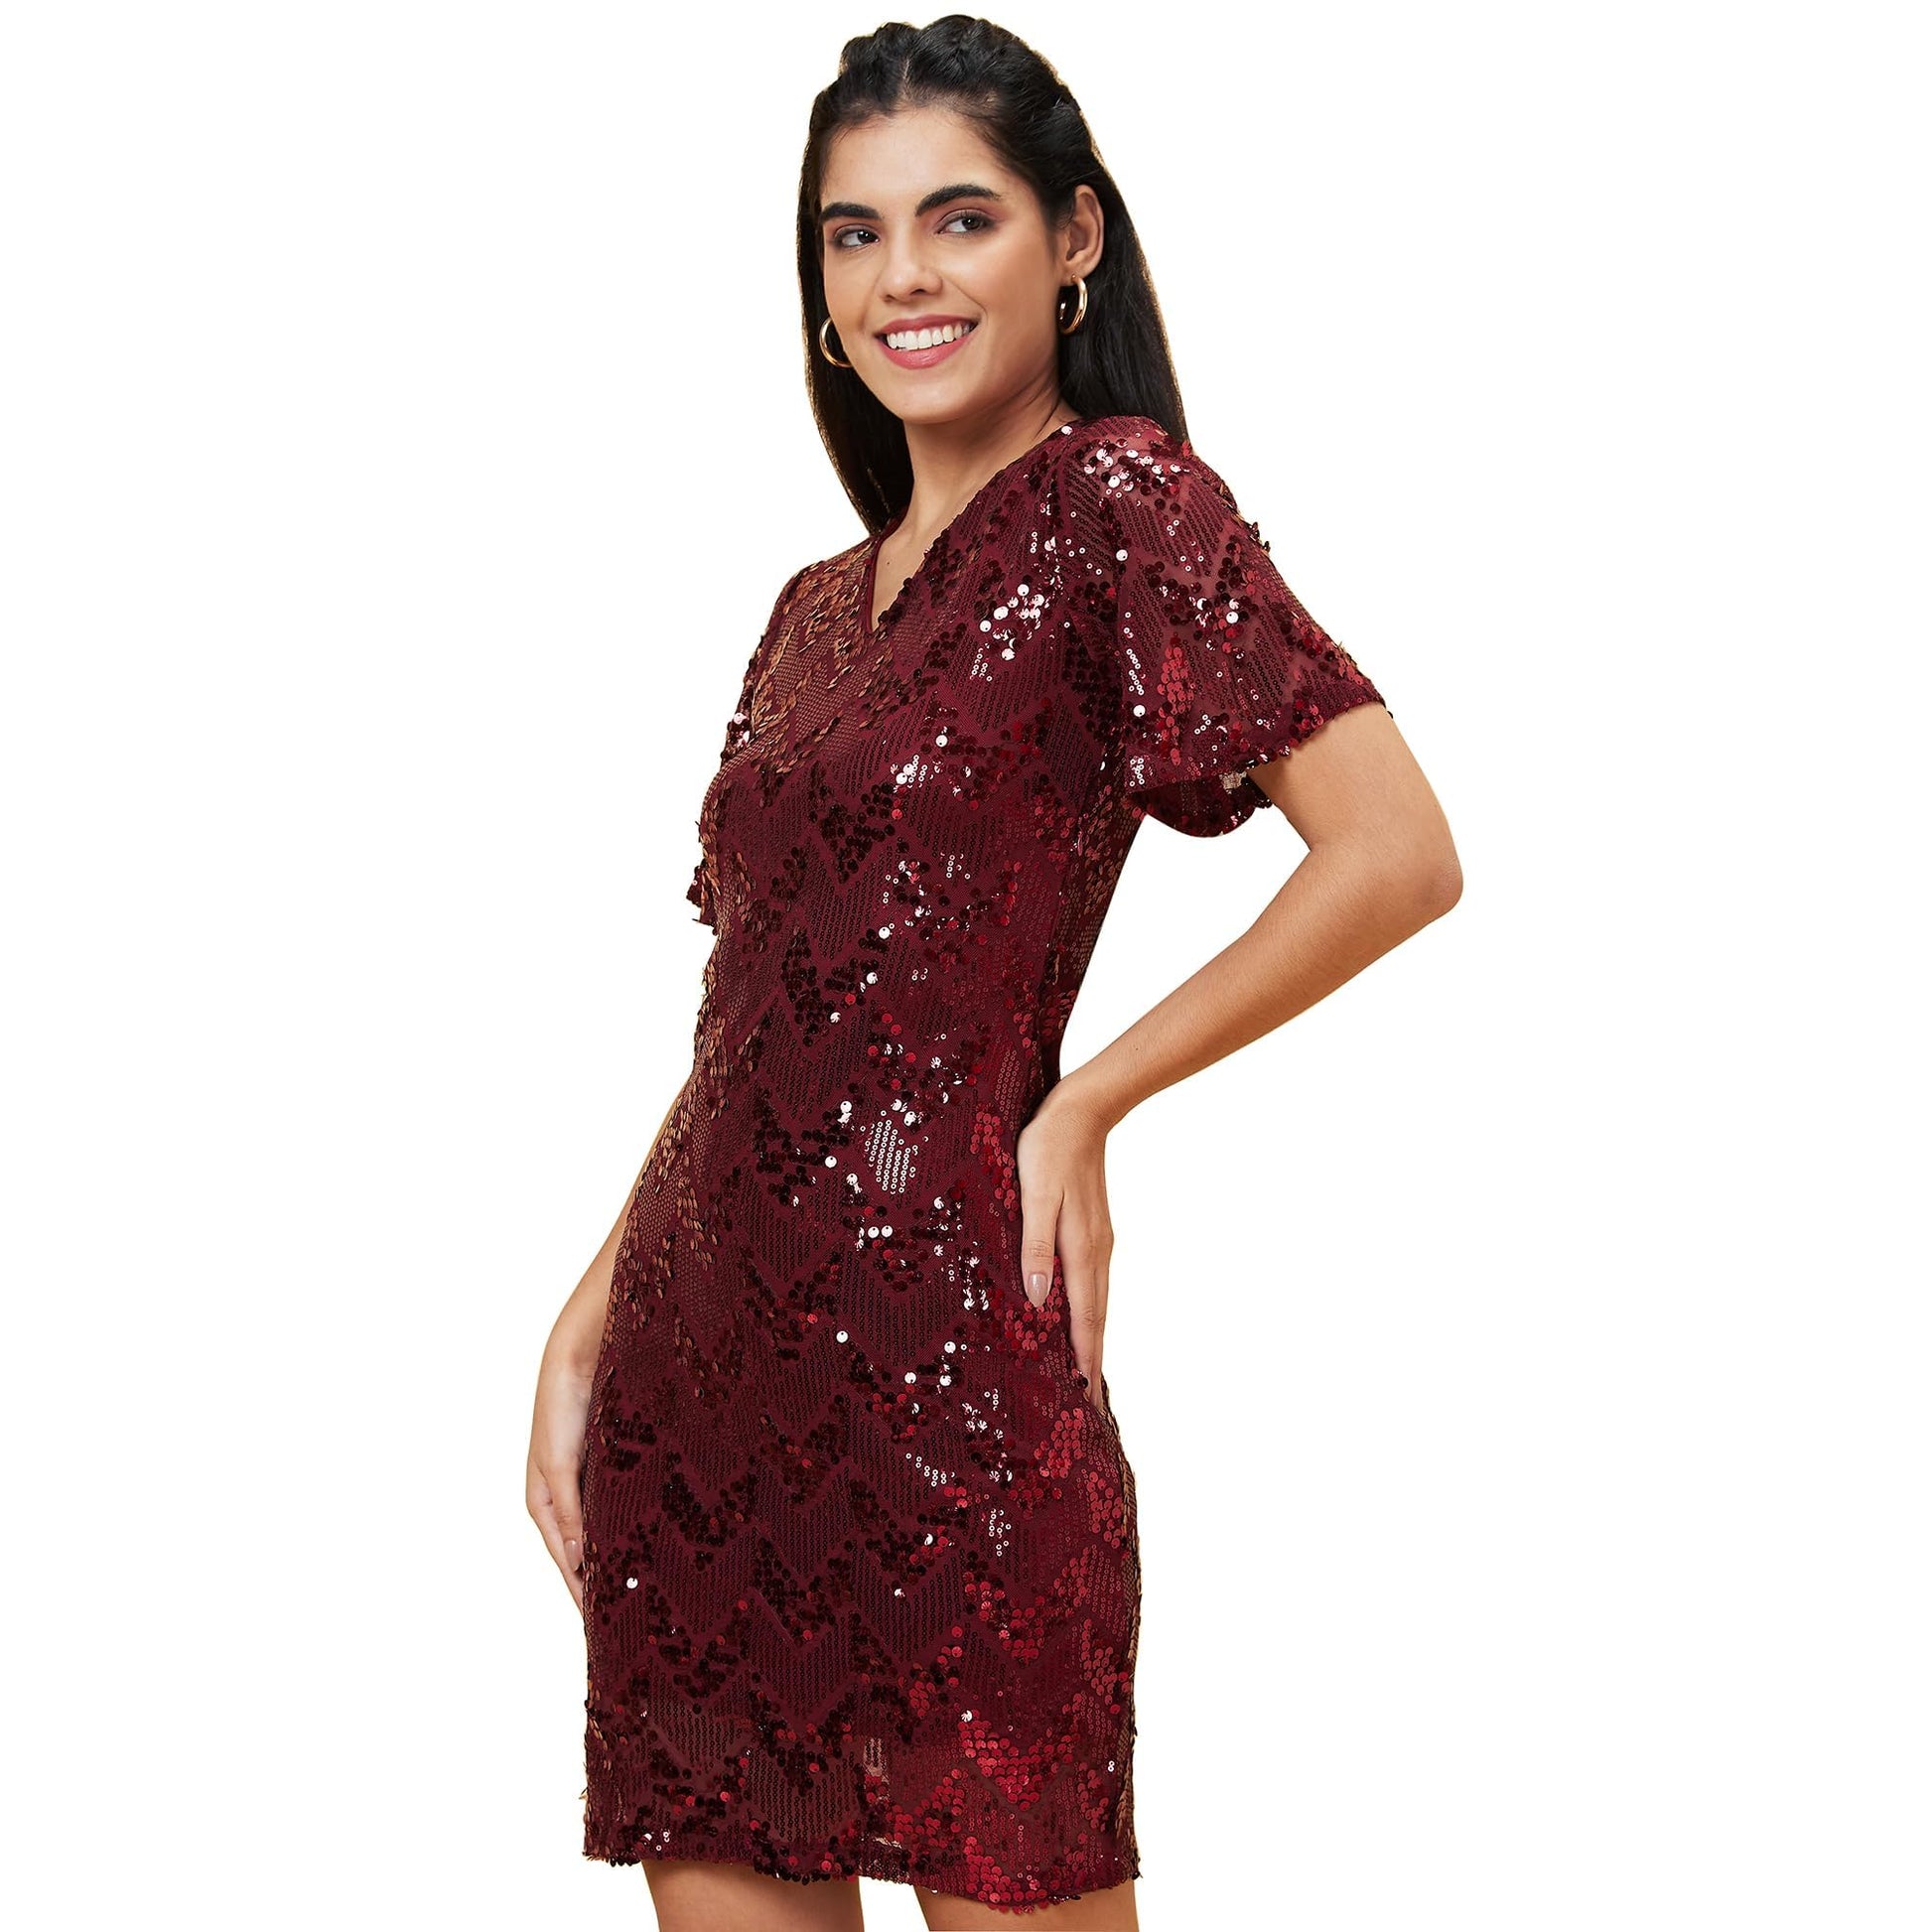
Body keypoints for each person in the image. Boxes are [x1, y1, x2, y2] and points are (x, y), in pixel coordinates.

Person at [528, 17, 1459, 1930]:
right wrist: (592, 1306)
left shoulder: (1120, 506)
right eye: (852, 234)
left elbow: (1395, 851)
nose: (903, 277)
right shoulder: (807, 611)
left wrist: (1088, 1097)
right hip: (701, 1398)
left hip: (955, 1379)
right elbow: (759, 1016)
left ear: (1073, 238)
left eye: (958, 218)